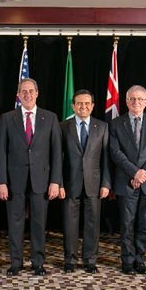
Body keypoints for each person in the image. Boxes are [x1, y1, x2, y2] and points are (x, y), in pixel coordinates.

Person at [0, 78, 62, 276]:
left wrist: (55, 181)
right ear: (18, 94)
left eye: (31, 91)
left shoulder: (50, 117)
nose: (27, 95)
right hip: (14, 179)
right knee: (15, 223)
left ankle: (38, 263)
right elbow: (2, 152)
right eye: (23, 91)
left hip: (41, 180)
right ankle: (15, 263)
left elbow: (56, 152)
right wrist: (1, 181)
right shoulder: (7, 118)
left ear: (37, 93)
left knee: (38, 223)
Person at [109, 85, 146, 275]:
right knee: (126, 224)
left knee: (143, 224)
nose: (136, 102)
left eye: (140, 99)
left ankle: (140, 260)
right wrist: (134, 173)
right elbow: (116, 153)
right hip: (126, 181)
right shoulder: (116, 124)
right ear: (126, 102)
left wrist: (143, 174)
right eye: (132, 99)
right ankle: (127, 261)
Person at [58, 89, 110, 274]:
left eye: (87, 103)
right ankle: (70, 260)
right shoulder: (63, 126)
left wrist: (106, 183)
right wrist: (60, 183)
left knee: (92, 223)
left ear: (93, 106)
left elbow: (106, 159)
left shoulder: (102, 127)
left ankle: (90, 260)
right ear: (73, 106)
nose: (83, 106)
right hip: (70, 183)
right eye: (79, 103)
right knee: (69, 224)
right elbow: (58, 158)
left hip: (94, 184)